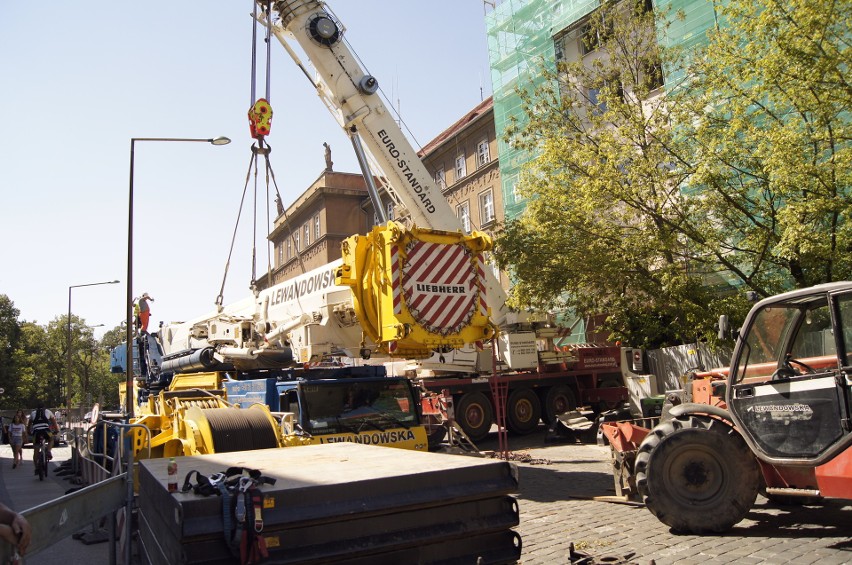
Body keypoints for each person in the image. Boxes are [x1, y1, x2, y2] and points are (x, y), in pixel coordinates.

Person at [28, 403, 57, 471]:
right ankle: (49, 451)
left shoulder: (33, 413)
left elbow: (29, 425)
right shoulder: (48, 411)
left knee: (36, 450)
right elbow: (54, 422)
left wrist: (29, 432)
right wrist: (56, 430)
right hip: (46, 431)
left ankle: (36, 468)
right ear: (44, 407)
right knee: (51, 439)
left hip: (36, 432)